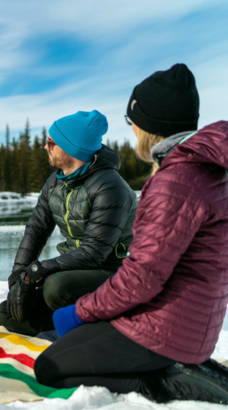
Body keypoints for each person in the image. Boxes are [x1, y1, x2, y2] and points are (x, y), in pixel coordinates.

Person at [34, 63, 228, 404]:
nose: (132, 131)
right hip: (190, 323)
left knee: (50, 367)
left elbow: (142, 277)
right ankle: (177, 363)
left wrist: (81, 311)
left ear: (149, 125)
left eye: (131, 122)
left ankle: (168, 380)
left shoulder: (176, 181)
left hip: (165, 331)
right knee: (66, 341)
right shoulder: (204, 169)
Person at [0, 110, 138, 336]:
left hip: (115, 272)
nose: (46, 147)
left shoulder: (110, 187)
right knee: (10, 311)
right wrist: (17, 280)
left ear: (72, 148)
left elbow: (94, 253)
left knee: (56, 288)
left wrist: (38, 270)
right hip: (75, 268)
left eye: (51, 142)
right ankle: (73, 325)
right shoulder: (56, 181)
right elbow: (36, 229)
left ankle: (108, 327)